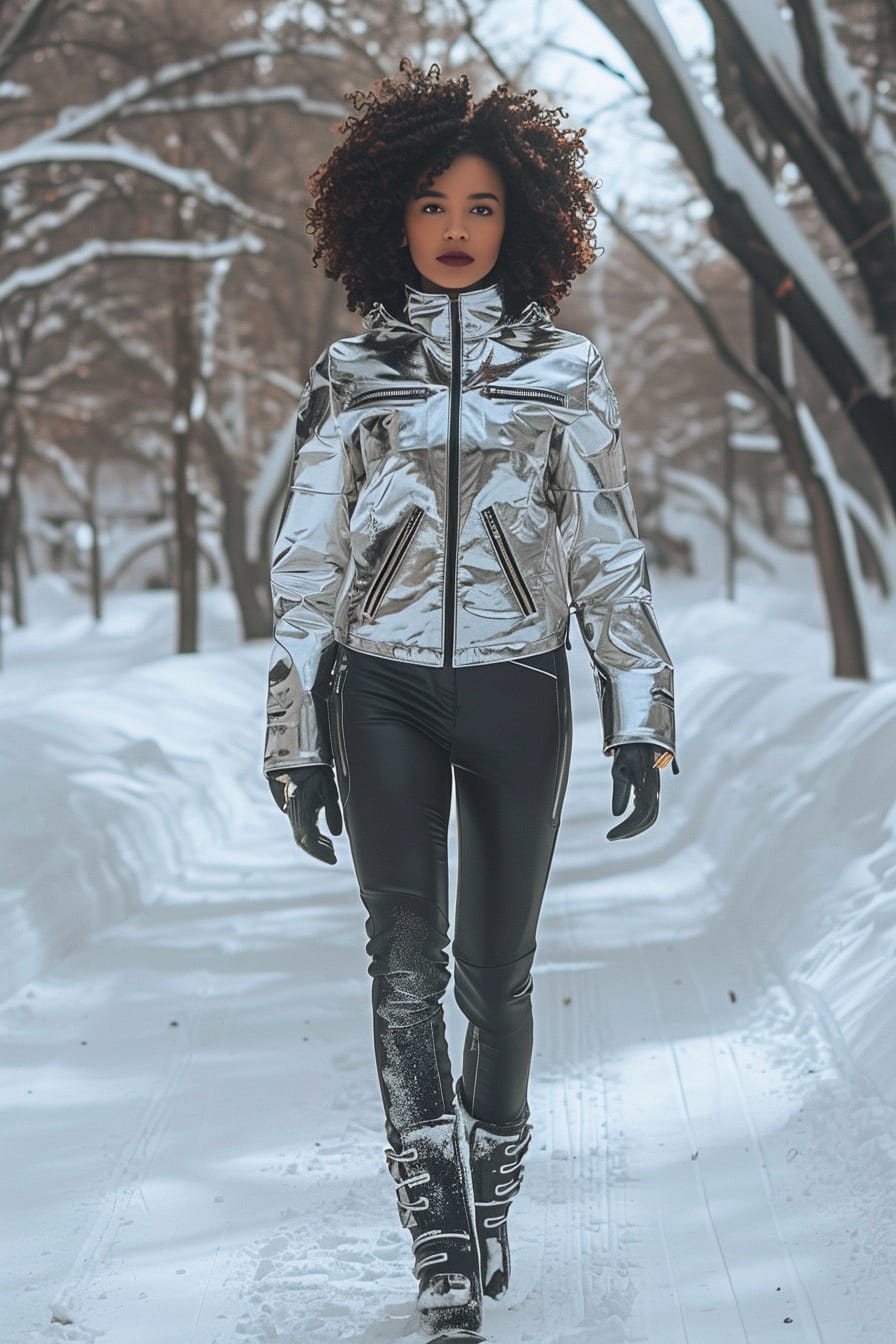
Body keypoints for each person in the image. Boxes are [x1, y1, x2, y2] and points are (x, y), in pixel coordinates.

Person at [263, 58, 678, 1340]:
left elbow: (607, 546)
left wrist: (637, 712)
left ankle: (492, 1179)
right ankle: (438, 1234)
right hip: (379, 694)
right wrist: (296, 728)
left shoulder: (563, 374)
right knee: (401, 968)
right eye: (434, 204)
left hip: (517, 695)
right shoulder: (350, 375)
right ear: (391, 214)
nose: (455, 229)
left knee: (494, 975)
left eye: (483, 207)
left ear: (524, 222)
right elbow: (306, 559)